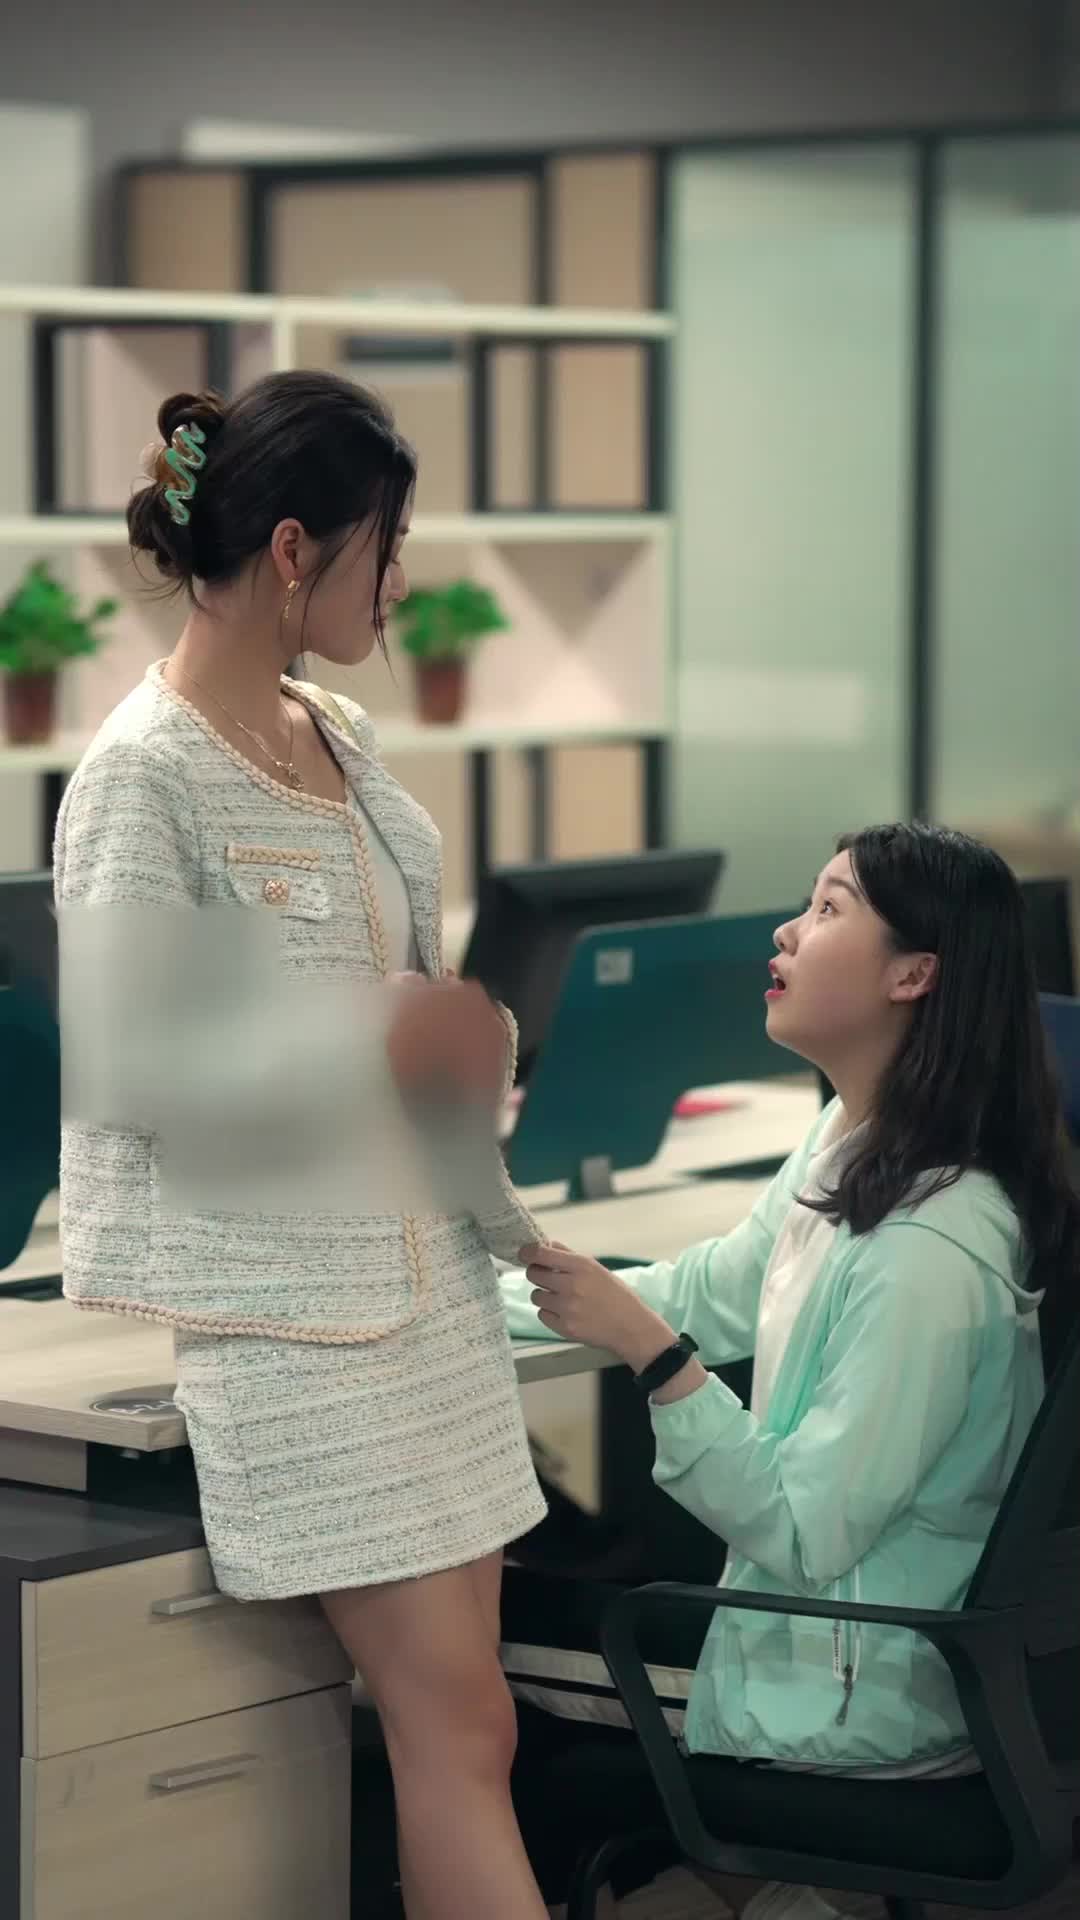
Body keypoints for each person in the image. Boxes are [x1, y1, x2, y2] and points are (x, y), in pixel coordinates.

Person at [54, 372, 554, 1920]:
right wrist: (376, 1034)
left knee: (474, 1726)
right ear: (292, 549)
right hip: (299, 1326)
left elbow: (413, 992)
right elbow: (139, 1063)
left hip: (432, 1300)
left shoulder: (331, 730)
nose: (399, 581)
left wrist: (456, 1037)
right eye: (384, 546)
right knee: (455, 1727)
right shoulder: (142, 772)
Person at [501, 824, 1080, 1920]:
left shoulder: (928, 1250)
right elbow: (714, 1289)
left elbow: (806, 1528)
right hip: (827, 1639)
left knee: (476, 1663)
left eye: (827, 909)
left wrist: (654, 1358)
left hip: (852, 1692)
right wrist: (470, 1304)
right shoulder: (854, 1147)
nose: (786, 931)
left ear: (913, 975)